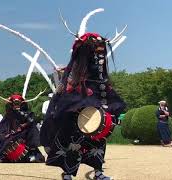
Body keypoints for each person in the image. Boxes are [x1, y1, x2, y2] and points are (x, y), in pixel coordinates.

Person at [40, 33, 126, 180]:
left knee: (99, 142)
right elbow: (66, 97)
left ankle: (98, 173)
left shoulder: (99, 75)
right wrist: (79, 105)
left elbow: (105, 92)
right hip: (74, 120)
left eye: (101, 52)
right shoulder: (74, 74)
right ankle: (68, 174)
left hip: (94, 117)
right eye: (96, 52)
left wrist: (110, 107)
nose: (99, 56)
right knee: (73, 145)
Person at [0, 93, 45, 163]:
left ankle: (32, 155)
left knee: (26, 136)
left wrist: (24, 125)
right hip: (13, 133)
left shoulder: (27, 113)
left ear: (21, 103)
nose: (16, 105)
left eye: (18, 103)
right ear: (12, 104)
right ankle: (0, 156)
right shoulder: (9, 115)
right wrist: (5, 133)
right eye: (15, 103)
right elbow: (3, 126)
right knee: (2, 139)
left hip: (25, 134)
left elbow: (31, 122)